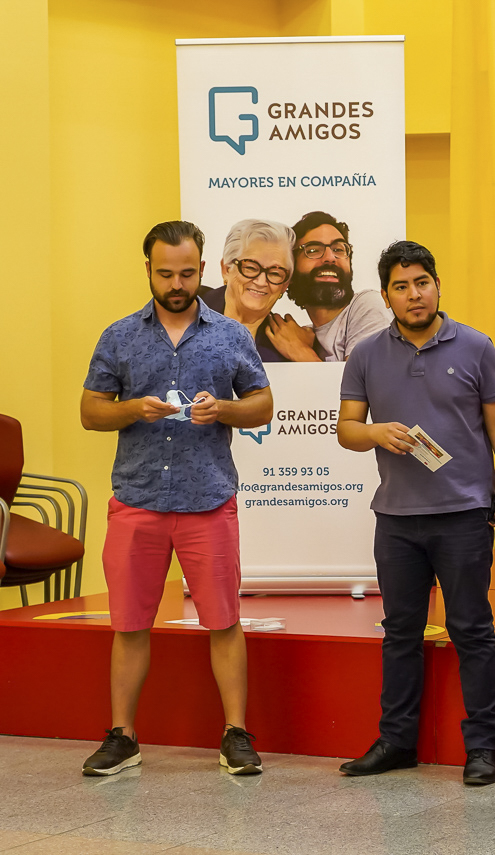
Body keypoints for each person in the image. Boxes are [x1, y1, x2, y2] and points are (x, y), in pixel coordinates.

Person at [79, 221, 273, 777]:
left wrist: (225, 409)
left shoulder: (230, 334)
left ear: (203, 268)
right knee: (128, 624)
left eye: (187, 273)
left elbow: (262, 405)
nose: (177, 284)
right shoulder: (119, 336)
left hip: (207, 499)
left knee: (224, 620)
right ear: (148, 269)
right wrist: (131, 408)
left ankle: (236, 734)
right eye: (165, 274)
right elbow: (91, 412)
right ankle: (122, 737)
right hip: (137, 499)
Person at [336, 239, 495, 785]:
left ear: (438, 286)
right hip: (396, 519)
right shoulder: (366, 354)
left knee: (472, 629)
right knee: (400, 632)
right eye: (400, 287)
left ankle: (483, 747)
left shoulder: (475, 346)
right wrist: (375, 432)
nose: (414, 294)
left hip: (464, 514)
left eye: (422, 283)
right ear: (386, 296)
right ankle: (396, 742)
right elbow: (347, 428)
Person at [265, 210, 392, 361]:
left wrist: (301, 352)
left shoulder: (368, 305)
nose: (330, 258)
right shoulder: (303, 337)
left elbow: (366, 377)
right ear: (290, 272)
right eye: (313, 250)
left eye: (338, 249)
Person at [199, 219, 295, 362]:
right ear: (226, 269)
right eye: (250, 268)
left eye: (275, 273)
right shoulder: (186, 311)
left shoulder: (288, 349)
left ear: (285, 285)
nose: (261, 282)